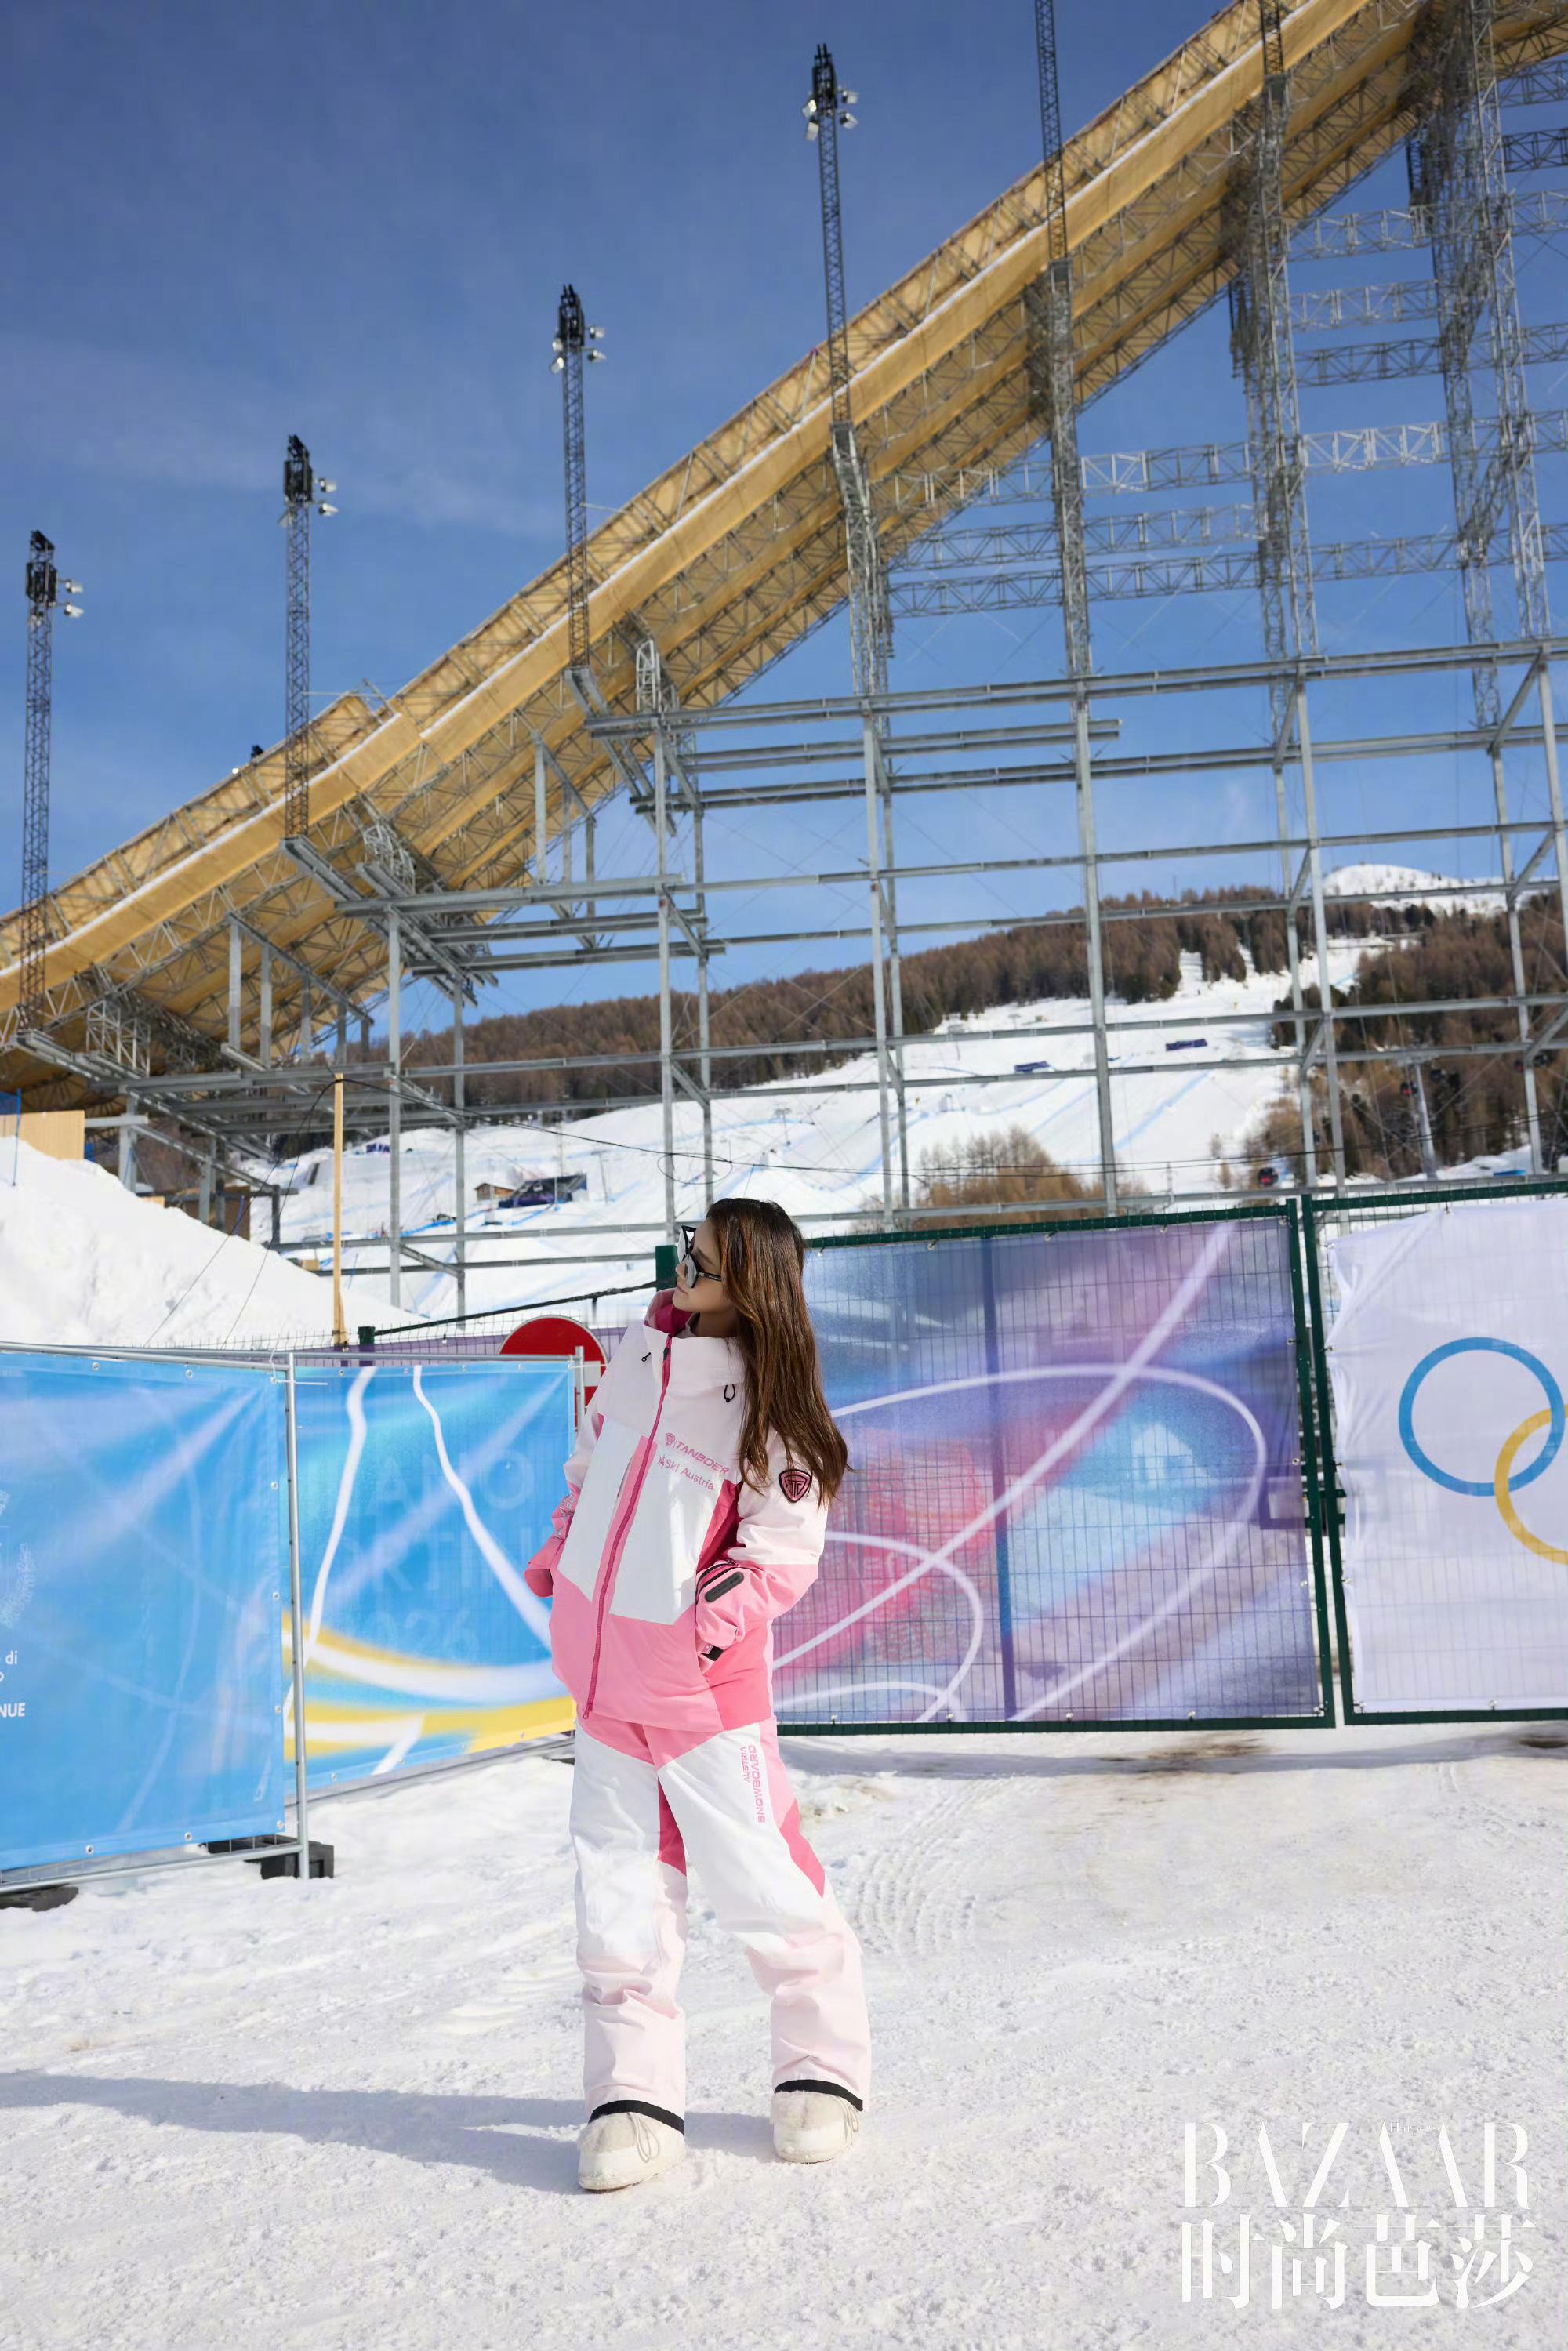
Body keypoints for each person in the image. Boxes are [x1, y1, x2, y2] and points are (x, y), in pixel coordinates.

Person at [524, 1196, 870, 2193]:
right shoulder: (638, 1352)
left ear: (750, 1284)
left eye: (706, 1262)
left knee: (764, 1880)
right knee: (616, 1895)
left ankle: (821, 2067)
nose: (685, 1268)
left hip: (702, 1695)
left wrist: (702, 1625)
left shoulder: (770, 1403)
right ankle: (629, 2096)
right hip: (602, 1686)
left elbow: (782, 1549)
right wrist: (563, 1552)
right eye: (688, 1249)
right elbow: (591, 1464)